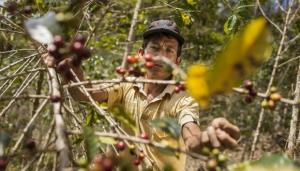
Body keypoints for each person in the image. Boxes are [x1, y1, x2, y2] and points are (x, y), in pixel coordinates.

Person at [43, 19, 240, 171]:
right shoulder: (126, 84)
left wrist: (203, 141)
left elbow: (191, 135)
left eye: (169, 50)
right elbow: (84, 93)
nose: (160, 56)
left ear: (177, 62)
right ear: (140, 54)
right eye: (154, 48)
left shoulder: (183, 98)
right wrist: (73, 68)